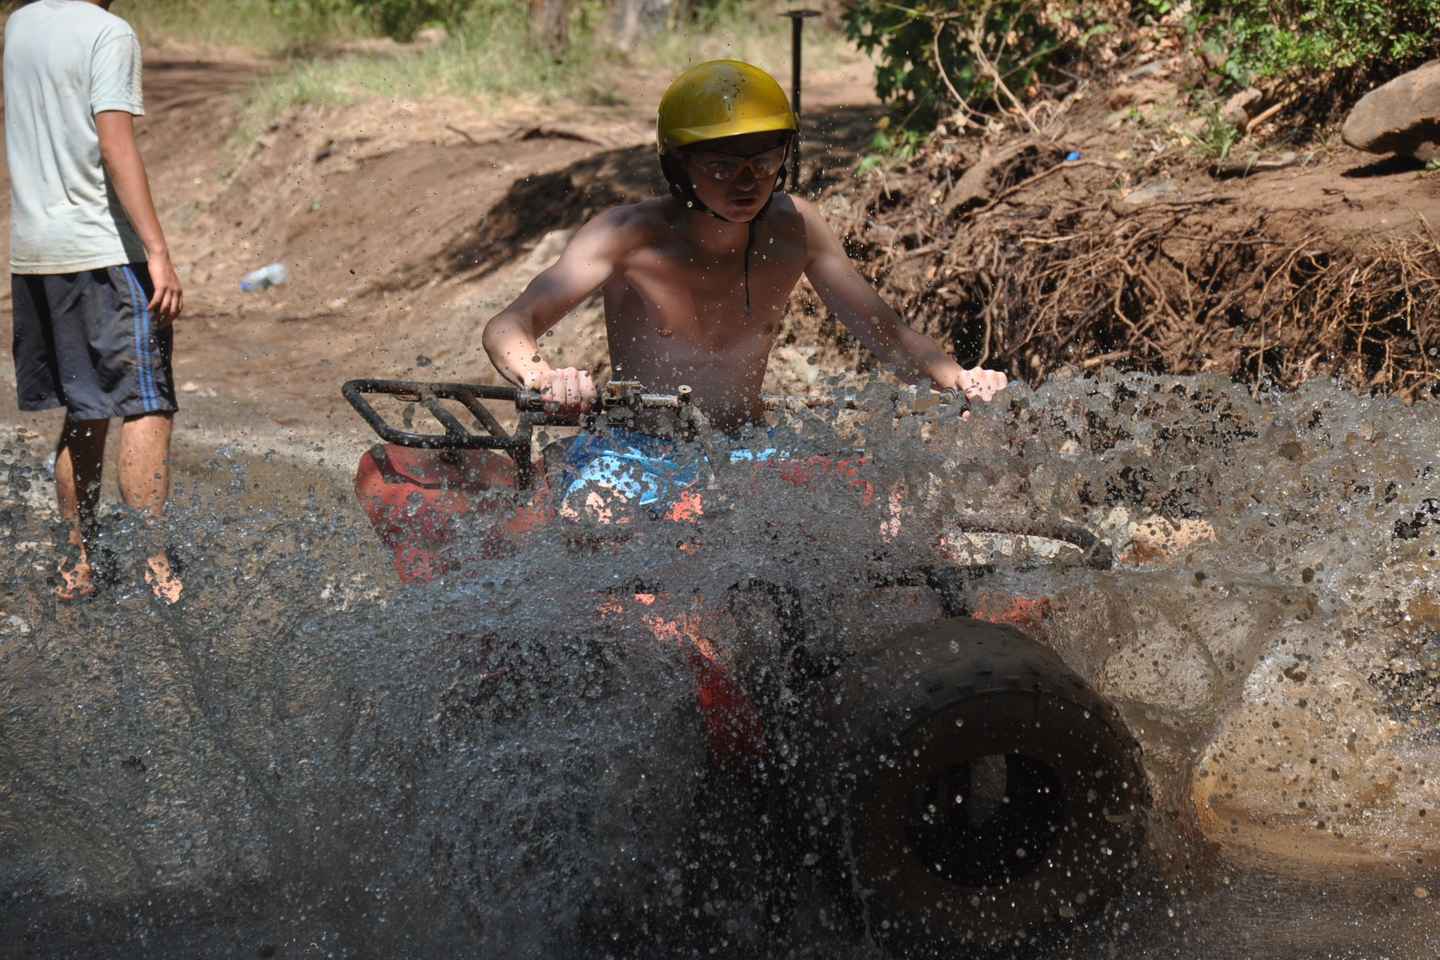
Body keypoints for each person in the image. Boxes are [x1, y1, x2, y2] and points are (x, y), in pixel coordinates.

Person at [481, 59, 1007, 519]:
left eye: (763, 163)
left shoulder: (798, 228)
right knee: (593, 523)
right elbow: (509, 324)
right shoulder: (624, 235)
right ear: (678, 165)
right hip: (636, 446)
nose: (747, 182)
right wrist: (541, 376)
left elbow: (886, 333)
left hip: (752, 445)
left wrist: (958, 377)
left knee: (878, 517)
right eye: (722, 166)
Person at [5, 0, 185, 603]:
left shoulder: (21, 24)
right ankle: (154, 567)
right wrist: (157, 249)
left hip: (35, 252)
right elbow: (116, 144)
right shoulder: (108, 32)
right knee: (146, 403)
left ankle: (74, 562)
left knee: (85, 406)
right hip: (102, 251)